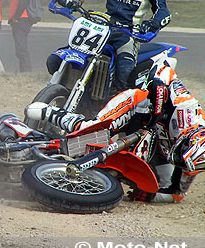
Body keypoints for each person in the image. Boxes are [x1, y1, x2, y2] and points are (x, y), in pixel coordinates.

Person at [25, 64, 205, 203]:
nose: (181, 162)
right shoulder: (187, 112)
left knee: (162, 183)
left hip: (152, 142)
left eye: (183, 163)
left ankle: (106, 171)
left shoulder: (193, 162)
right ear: (189, 140)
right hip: (138, 107)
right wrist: (157, 107)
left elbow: (176, 195)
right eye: (182, 157)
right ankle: (54, 114)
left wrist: (150, 196)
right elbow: (164, 71)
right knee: (94, 129)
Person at [8, 0, 32, 72]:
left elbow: (24, 1)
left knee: (21, 48)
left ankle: (26, 71)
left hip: (21, 20)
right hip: (20, 19)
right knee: (20, 48)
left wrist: (16, 17)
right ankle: (24, 71)